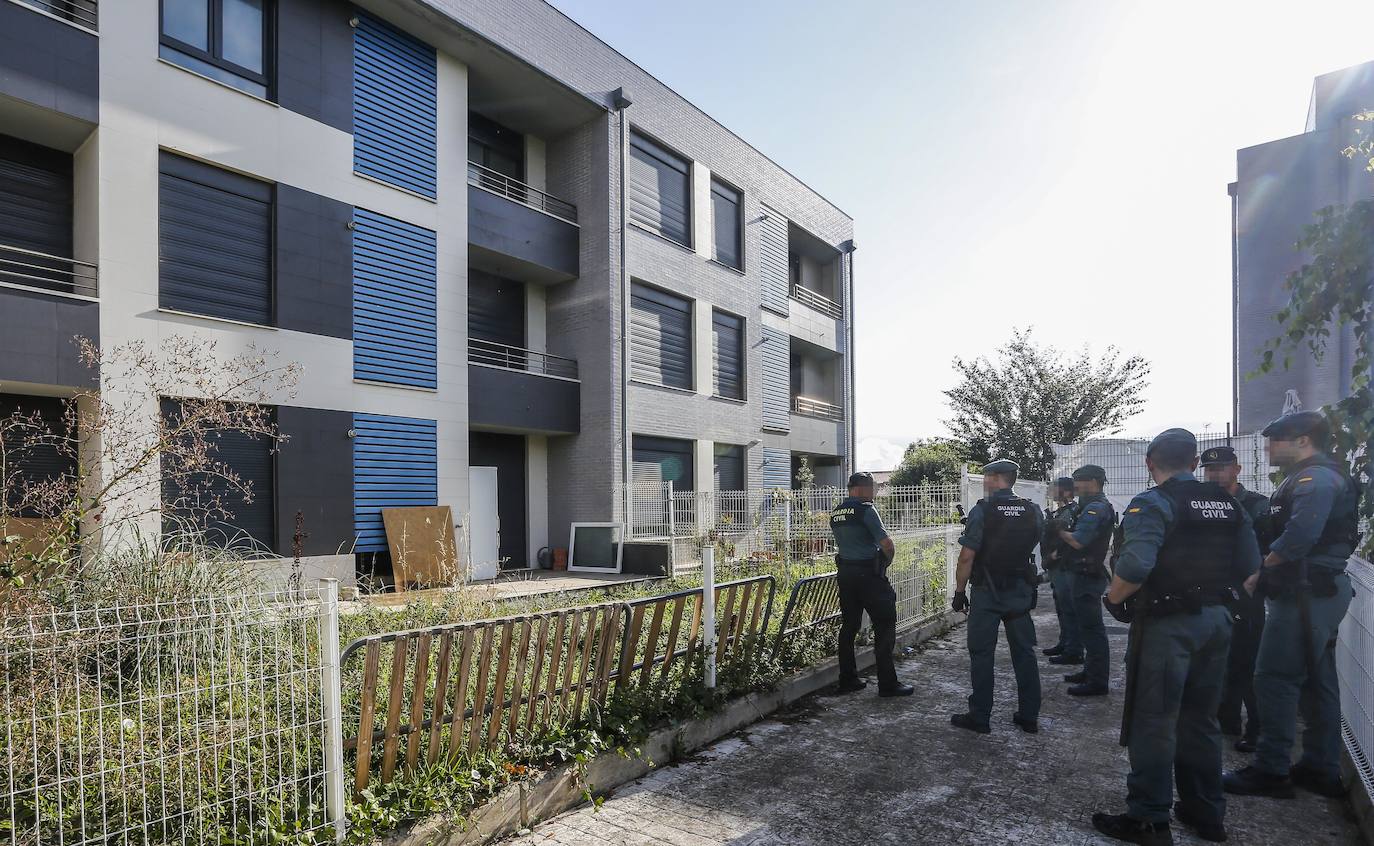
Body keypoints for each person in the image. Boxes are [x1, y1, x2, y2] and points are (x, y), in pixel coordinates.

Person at [1092, 428, 1260, 845]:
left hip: (1168, 625)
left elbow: (1134, 567)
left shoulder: (1153, 502)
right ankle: (1206, 813)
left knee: (1154, 721)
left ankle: (1148, 818)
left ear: (1151, 463)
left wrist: (1113, 601)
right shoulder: (1228, 503)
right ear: (1192, 462)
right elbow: (1252, 567)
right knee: (1201, 720)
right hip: (1218, 622)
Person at [1224, 411, 1361, 800]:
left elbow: (1300, 536)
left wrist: (1259, 570)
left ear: (1302, 440)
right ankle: (1320, 767)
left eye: (1275, 440)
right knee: (1317, 683)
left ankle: (1271, 770)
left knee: (1274, 678)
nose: (1268, 447)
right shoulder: (1315, 475)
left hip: (1305, 594)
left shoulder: (1314, 479)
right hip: (1315, 592)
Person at [949, 459, 1044, 734]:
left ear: (994, 478)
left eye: (986, 476)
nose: (984, 481)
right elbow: (1036, 540)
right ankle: (1029, 716)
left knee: (982, 654)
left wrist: (958, 592)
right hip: (1019, 591)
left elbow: (967, 557)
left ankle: (980, 717)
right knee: (1025, 654)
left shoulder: (983, 510)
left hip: (987, 592)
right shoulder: (1032, 509)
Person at [1201, 445, 1270, 753]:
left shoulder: (1256, 505)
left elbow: (1270, 548)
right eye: (1210, 469)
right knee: (1218, 660)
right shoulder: (1200, 503)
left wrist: (1256, 576)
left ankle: (1256, 729)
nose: (1215, 474)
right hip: (1213, 591)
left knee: (1247, 663)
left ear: (1237, 469)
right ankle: (1226, 719)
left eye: (1222, 468)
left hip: (1244, 592)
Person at [829, 471, 914, 697]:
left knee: (849, 627)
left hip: (846, 575)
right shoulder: (866, 509)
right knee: (885, 624)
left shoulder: (836, 512)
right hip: (869, 576)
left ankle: (848, 680)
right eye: (873, 488)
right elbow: (886, 543)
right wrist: (885, 563)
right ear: (862, 488)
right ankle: (888, 684)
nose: (875, 492)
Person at [1056, 465, 1117, 696]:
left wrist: (1059, 531)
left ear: (1092, 482)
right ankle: (1091, 671)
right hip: (1082, 573)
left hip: (1087, 575)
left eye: (1078, 482)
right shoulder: (1089, 506)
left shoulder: (1096, 508)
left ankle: (1098, 680)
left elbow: (1079, 540)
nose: (1075, 487)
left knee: (1092, 629)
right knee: (1086, 627)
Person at [1043, 478, 1082, 661]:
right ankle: (1065, 642)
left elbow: (1067, 539)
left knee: (1069, 608)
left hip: (1063, 565)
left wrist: (1054, 556)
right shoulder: (1062, 511)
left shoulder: (1070, 512)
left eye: (1056, 489)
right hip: (1057, 566)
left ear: (1066, 492)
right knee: (1061, 607)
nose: (1052, 491)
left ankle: (1073, 650)